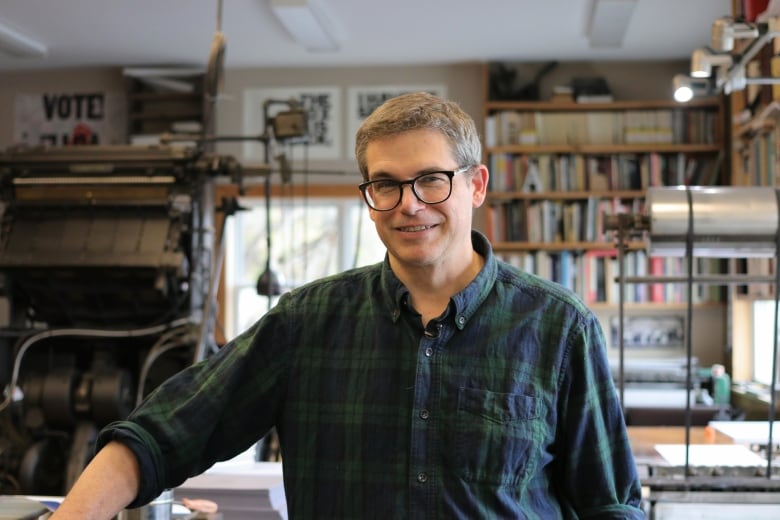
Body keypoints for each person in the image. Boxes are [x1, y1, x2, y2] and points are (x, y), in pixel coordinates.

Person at [51, 92, 644, 519]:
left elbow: (610, 504)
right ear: (369, 197)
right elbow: (162, 435)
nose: (409, 205)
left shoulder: (559, 327)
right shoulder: (306, 323)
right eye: (386, 184)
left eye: (431, 180)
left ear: (476, 185)